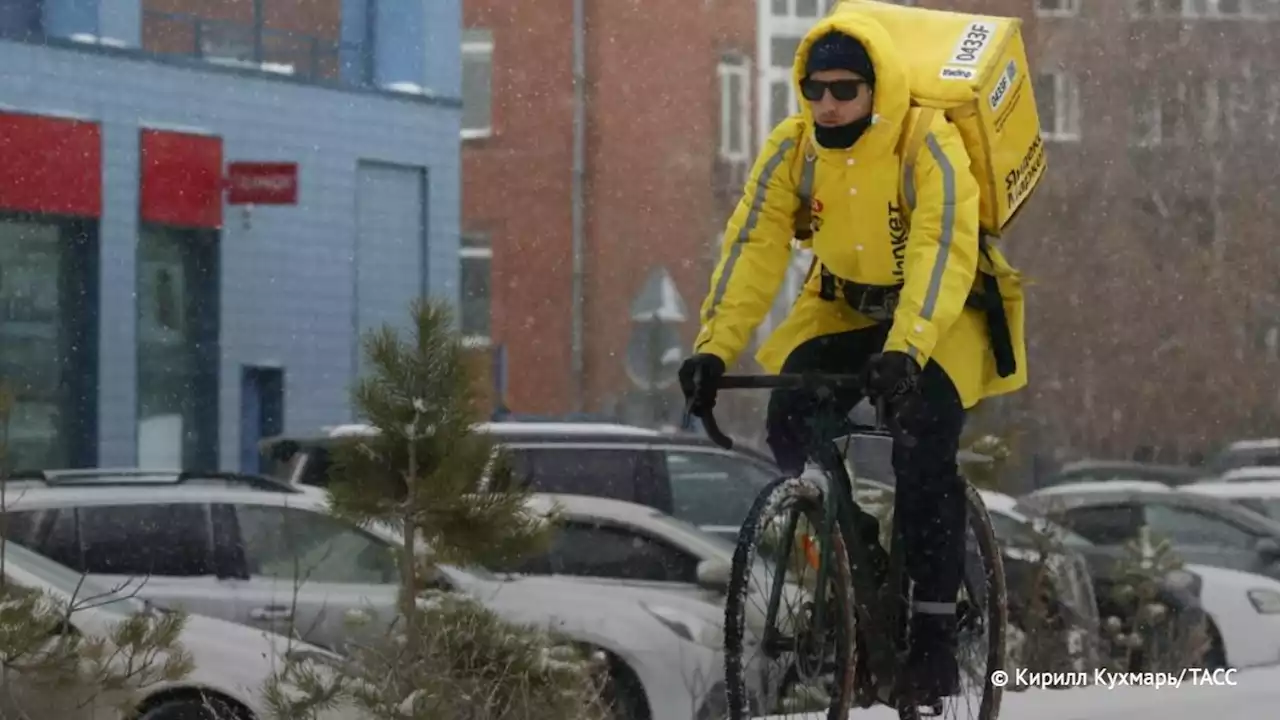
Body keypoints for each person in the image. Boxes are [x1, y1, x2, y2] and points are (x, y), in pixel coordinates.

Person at [677, 13, 1027, 705]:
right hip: (841, 306)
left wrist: (907, 347)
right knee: (789, 421)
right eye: (815, 89)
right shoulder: (794, 148)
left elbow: (942, 247)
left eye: (844, 89)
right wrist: (713, 349)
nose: (827, 104)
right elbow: (752, 248)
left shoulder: (928, 141)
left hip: (941, 313)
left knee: (922, 449)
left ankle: (931, 636)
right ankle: (851, 548)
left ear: (876, 89)